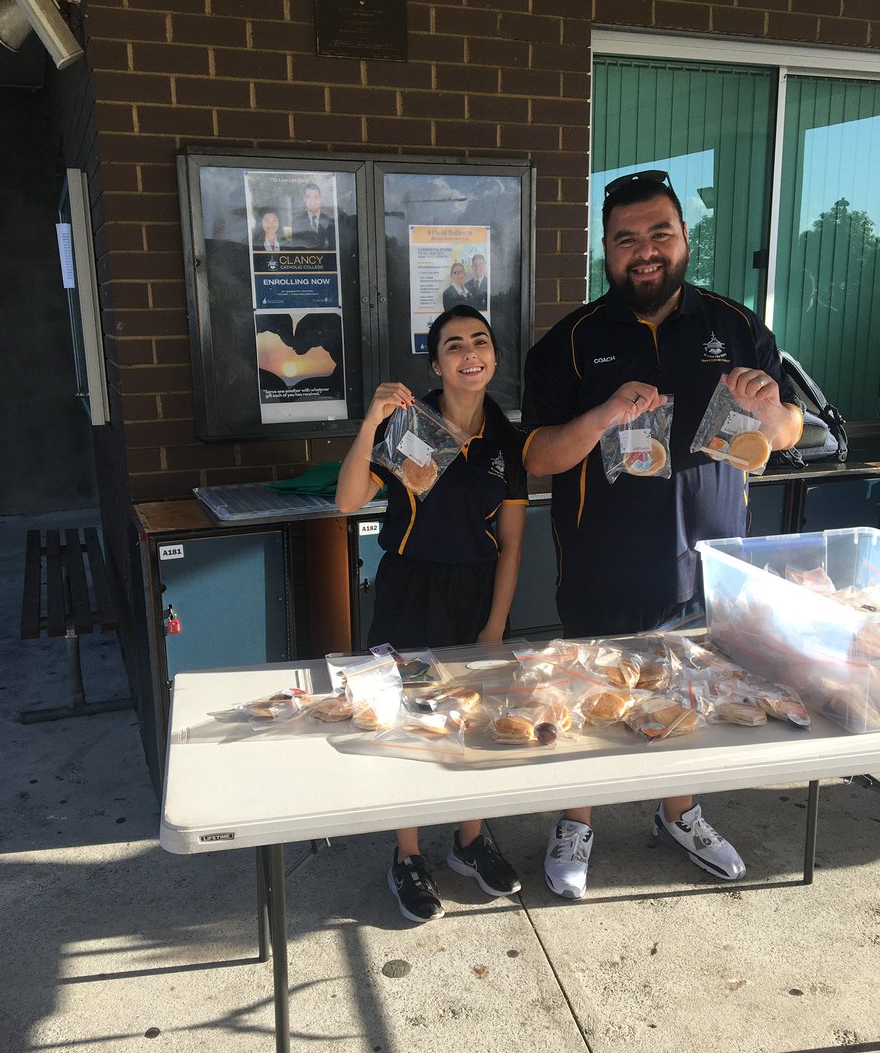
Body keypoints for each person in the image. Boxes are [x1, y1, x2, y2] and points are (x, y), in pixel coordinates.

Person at [522, 170, 804, 900]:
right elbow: (536, 456)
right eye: (626, 239)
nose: (643, 251)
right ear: (606, 251)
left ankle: (679, 812)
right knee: (590, 700)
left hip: (708, 565)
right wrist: (603, 417)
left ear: (684, 239)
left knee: (693, 697)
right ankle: (576, 822)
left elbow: (786, 431)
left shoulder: (735, 326)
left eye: (659, 234)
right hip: (603, 565)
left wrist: (772, 411)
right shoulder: (571, 343)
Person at [336, 305, 528, 924]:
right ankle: (408, 854)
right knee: (407, 723)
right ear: (436, 362)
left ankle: (470, 842)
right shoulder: (411, 425)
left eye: (480, 342)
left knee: (471, 722)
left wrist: (496, 623)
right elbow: (348, 501)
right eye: (453, 345)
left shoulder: (506, 439)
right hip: (409, 591)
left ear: (494, 356)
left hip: (475, 594)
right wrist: (372, 420)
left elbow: (513, 542)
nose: (469, 354)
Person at [293, 182, 336, 250]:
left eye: (315, 197)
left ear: (320, 198)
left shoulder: (329, 221)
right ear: (304, 199)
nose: (312, 200)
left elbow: (333, 247)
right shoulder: (297, 221)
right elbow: (295, 248)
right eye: (308, 197)